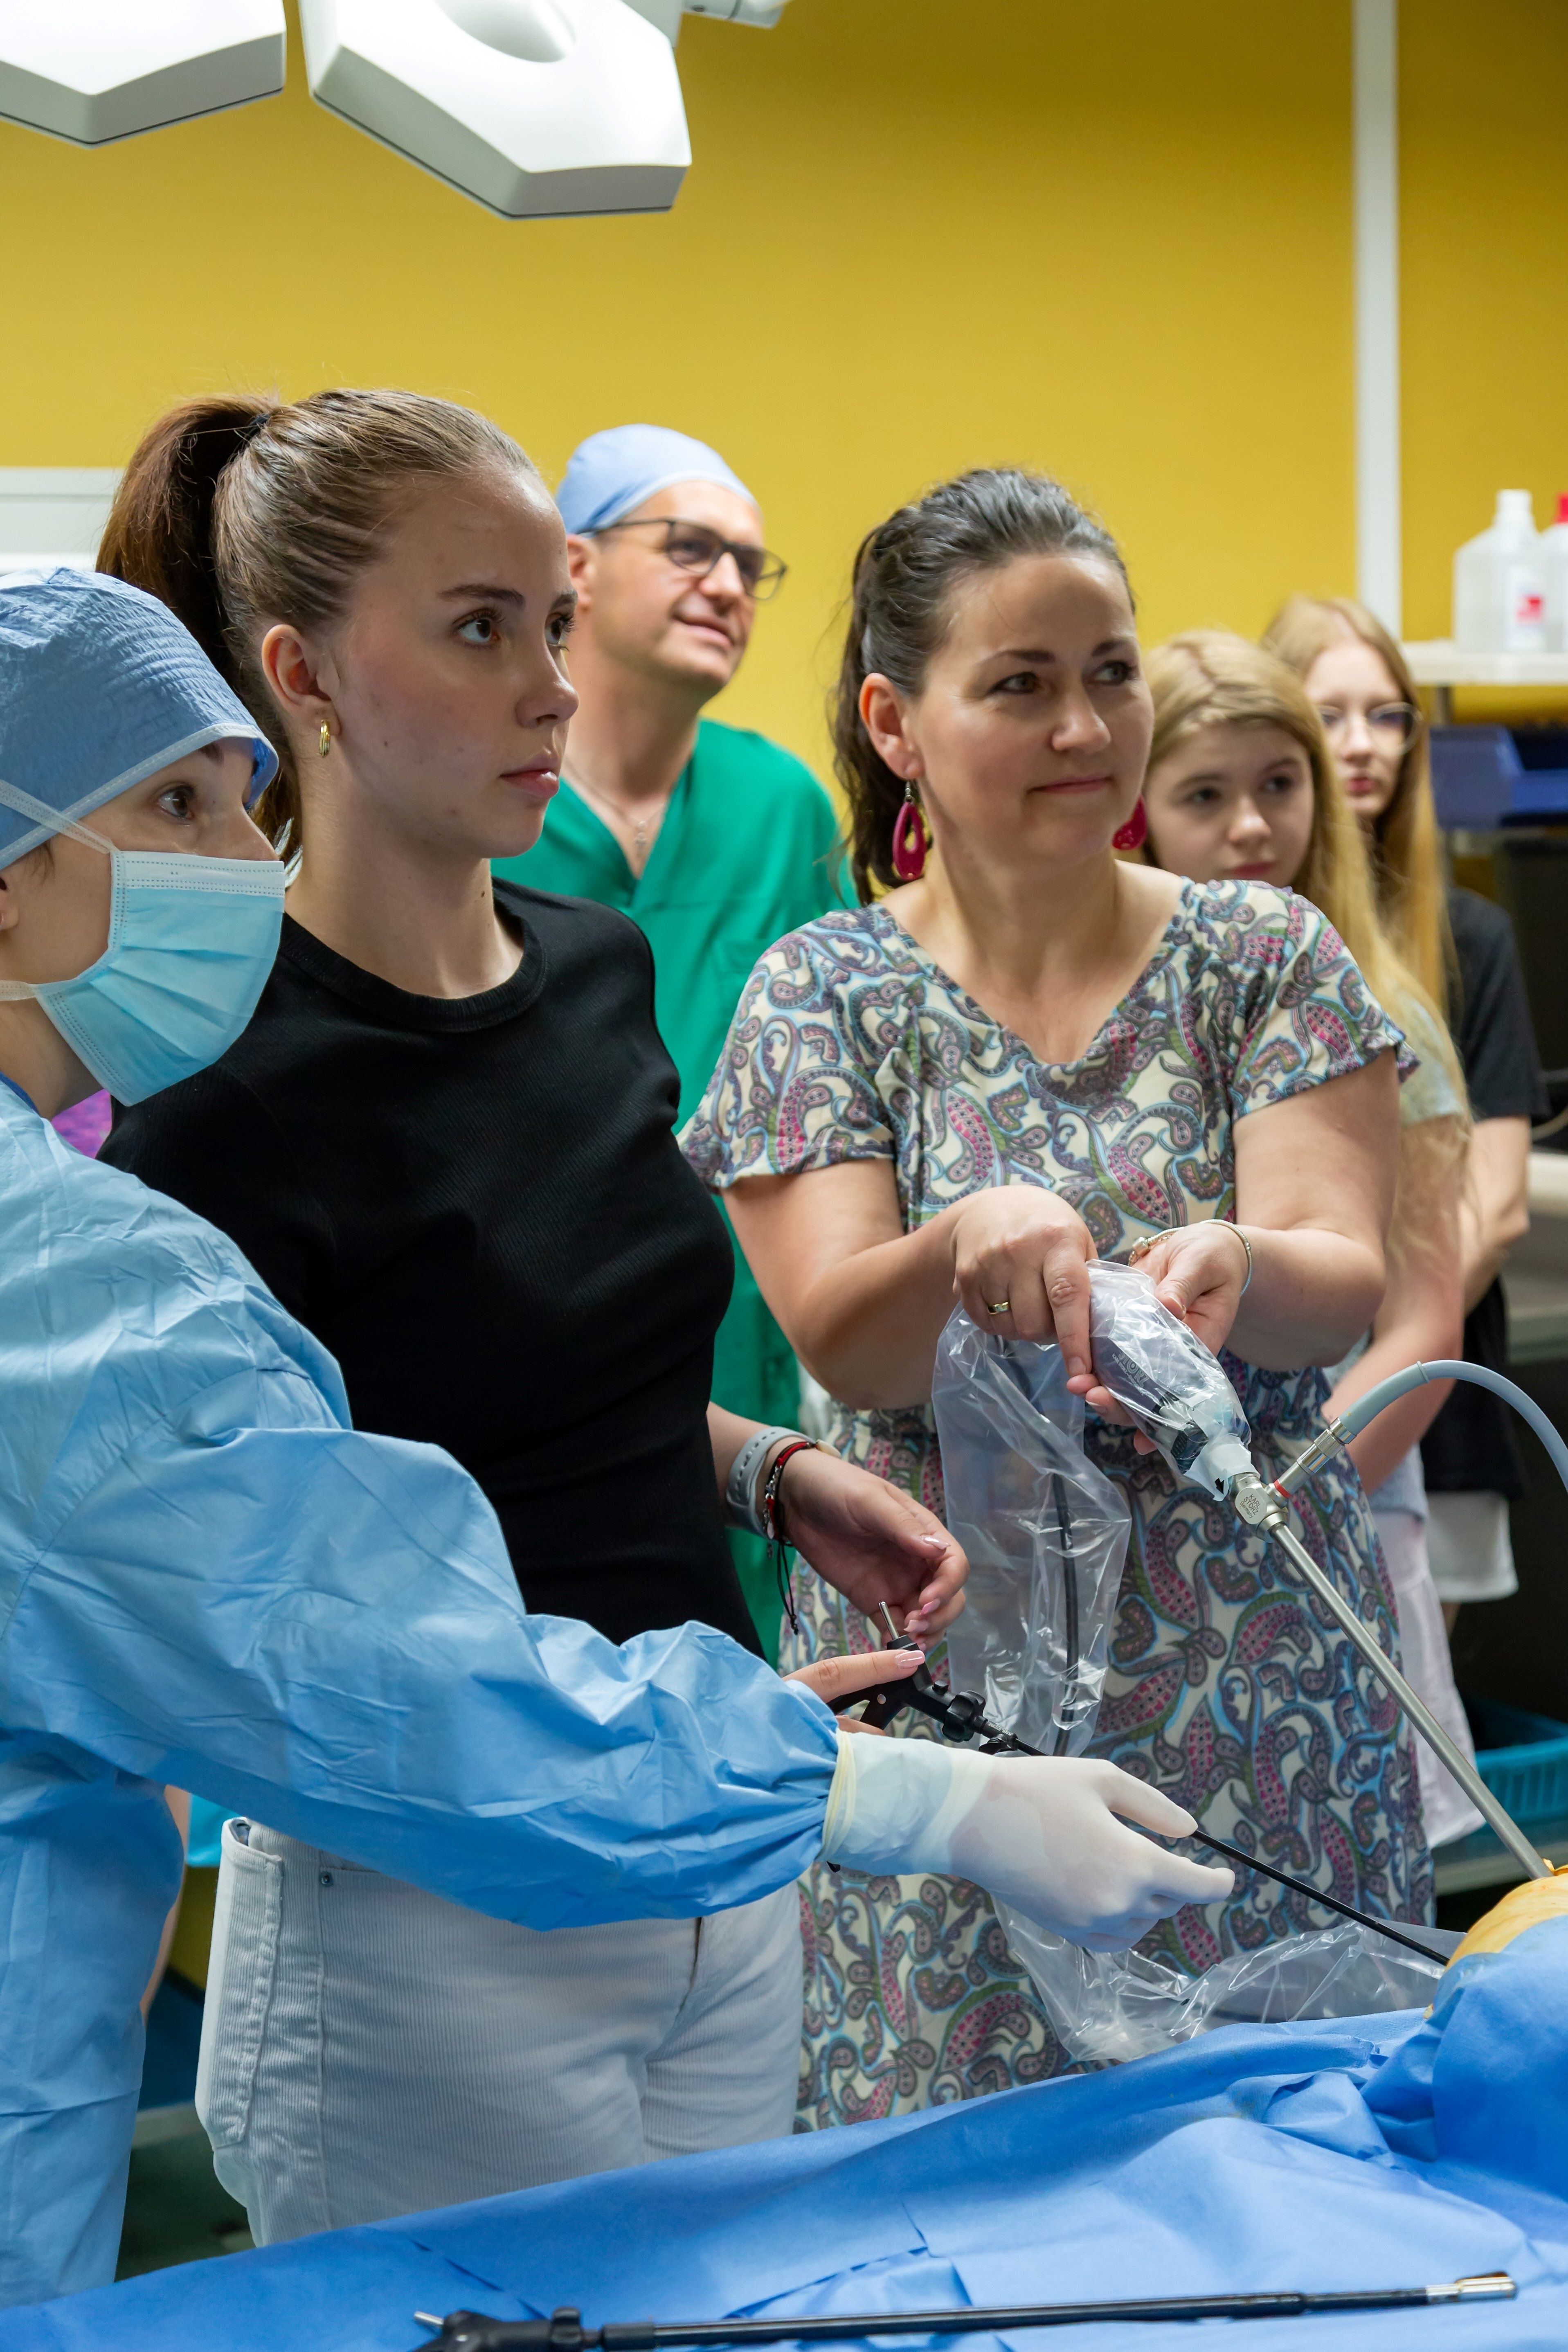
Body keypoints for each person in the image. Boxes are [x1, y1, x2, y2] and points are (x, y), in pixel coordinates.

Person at [0, 565, 1226, 2307]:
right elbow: (402, 1692)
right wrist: (908, 1795)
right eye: (179, 810)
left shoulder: (576, 976)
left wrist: (751, 1472)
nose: (233, 862)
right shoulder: (67, 1291)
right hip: (459, 1892)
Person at [682, 468, 1422, 2129]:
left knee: (1298, 2156)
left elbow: (1337, 1280)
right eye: (1019, 683)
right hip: (957, 1726)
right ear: (895, 720)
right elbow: (841, 1336)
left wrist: (1241, 1267)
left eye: (1108, 672)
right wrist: (958, 1249)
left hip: (1261, 1700)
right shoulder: (825, 994)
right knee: (964, 2173)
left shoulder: (1260, 957)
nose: (1084, 727)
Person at [495, 424, 846, 1653]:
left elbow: (838, 1075)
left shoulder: (780, 804)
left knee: (745, 1662)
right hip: (536, 1314)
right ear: (576, 566)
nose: (729, 583)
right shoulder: (496, 800)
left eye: (750, 563)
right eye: (690, 546)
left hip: (745, 1319)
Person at [1141, 629, 1477, 1846]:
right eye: (1205, 794)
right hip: (1149, 1531)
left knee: (1339, 1833)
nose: (1250, 824)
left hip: (1342, 1492)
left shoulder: (1386, 1012)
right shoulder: (1132, 1010)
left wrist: (1293, 1490)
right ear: (1136, 806)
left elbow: (1424, 1316)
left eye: (1279, 784)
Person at [1263, 597, 1548, 1632]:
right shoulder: (1235, 944)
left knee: (1414, 1689)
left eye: (1388, 716)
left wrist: (1361, 1355)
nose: (1363, 744)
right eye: (1330, 714)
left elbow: (1496, 1206)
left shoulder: (1463, 940)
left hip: (1417, 1395)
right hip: (1275, 1403)